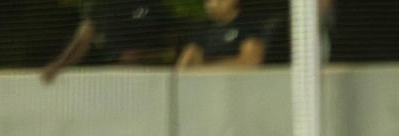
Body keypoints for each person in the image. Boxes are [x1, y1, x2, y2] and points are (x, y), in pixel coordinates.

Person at [42, 1, 177, 82]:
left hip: (152, 78)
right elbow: (81, 42)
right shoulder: (104, 5)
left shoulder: (158, 6)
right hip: (111, 78)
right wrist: (59, 65)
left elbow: (173, 52)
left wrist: (145, 57)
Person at [177, 0, 274, 69]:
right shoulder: (203, 29)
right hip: (207, 87)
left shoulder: (247, 25)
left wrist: (205, 69)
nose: (213, 5)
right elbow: (185, 63)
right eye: (208, 1)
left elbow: (251, 61)